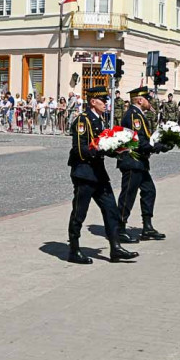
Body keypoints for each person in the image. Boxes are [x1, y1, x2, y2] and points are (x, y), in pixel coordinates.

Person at [66, 86, 140, 265]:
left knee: (111, 210)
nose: (107, 103)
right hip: (84, 174)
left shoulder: (100, 120)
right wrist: (99, 149)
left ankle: (115, 249)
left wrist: (118, 150)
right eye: (103, 100)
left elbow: (104, 144)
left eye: (107, 100)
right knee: (79, 213)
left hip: (99, 174)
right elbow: (80, 149)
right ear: (93, 102)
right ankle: (74, 250)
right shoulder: (83, 120)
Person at [117, 86, 172, 243]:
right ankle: (119, 228)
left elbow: (145, 139)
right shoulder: (134, 116)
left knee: (149, 191)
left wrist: (161, 143)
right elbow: (138, 141)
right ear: (140, 100)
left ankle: (147, 227)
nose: (150, 102)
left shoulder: (138, 115)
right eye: (147, 99)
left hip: (139, 161)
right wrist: (158, 147)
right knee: (128, 195)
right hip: (132, 160)